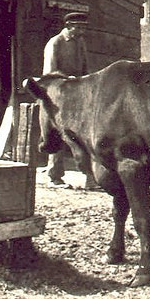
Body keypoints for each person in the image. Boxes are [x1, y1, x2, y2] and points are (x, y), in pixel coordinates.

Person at [42, 12, 97, 189]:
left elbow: (85, 68)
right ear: (68, 26)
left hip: (76, 94)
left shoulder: (80, 43)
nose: (82, 31)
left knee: (82, 135)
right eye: (78, 27)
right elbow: (50, 74)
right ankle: (54, 176)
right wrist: (68, 79)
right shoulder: (55, 43)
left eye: (83, 28)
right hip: (56, 95)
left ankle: (90, 177)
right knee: (58, 133)